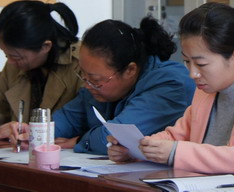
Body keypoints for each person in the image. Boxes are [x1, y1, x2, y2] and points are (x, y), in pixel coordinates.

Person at [107, 2, 234, 181]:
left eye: (201, 64)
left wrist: (176, 152)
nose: (193, 74)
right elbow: (178, 136)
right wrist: (137, 148)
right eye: (187, 61)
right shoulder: (207, 89)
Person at [52, 17, 196, 154]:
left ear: (130, 70)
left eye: (95, 79)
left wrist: (81, 141)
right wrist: (41, 133)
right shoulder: (98, 87)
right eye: (83, 74)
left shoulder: (170, 84)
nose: (87, 85)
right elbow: (67, 119)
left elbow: (117, 138)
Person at [0, 0, 81, 139]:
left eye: (15, 57)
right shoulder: (15, 65)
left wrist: (33, 131)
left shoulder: (82, 65)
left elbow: (83, 121)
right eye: (6, 55)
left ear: (45, 46)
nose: (10, 62)